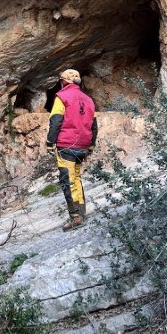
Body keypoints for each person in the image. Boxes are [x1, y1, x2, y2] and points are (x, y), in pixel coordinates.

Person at [46, 68, 97, 230]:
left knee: (67, 180)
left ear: (64, 81)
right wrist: (91, 144)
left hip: (66, 144)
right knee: (76, 177)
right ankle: (82, 212)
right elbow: (94, 125)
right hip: (83, 145)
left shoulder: (62, 97)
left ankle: (75, 217)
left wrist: (50, 142)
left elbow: (56, 121)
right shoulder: (88, 100)